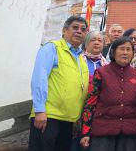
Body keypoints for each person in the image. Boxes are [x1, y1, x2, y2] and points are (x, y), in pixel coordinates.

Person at [29, 16, 90, 151]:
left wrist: (77, 117)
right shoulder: (52, 48)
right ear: (64, 30)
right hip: (47, 117)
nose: (79, 31)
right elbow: (39, 78)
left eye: (83, 29)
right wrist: (39, 110)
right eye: (75, 27)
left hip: (68, 120)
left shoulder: (81, 57)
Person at [79, 37, 136, 151]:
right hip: (103, 130)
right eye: (122, 49)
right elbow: (91, 103)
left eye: (128, 49)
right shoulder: (102, 72)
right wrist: (86, 132)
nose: (125, 52)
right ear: (113, 52)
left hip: (129, 131)